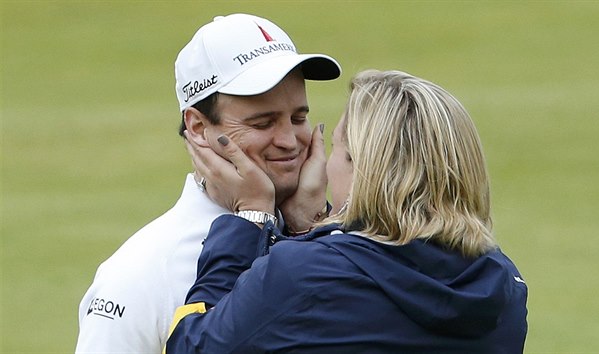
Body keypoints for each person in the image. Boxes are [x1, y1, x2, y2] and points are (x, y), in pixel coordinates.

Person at [165, 70, 529, 353]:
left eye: (337, 147)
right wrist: (316, 226)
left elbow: (191, 345)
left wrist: (251, 217)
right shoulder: (504, 286)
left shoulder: (301, 275)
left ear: (362, 169)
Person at [75, 13, 341, 353]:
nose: (290, 140)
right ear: (199, 128)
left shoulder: (339, 239)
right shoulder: (140, 274)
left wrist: (316, 225)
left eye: (298, 118)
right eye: (263, 123)